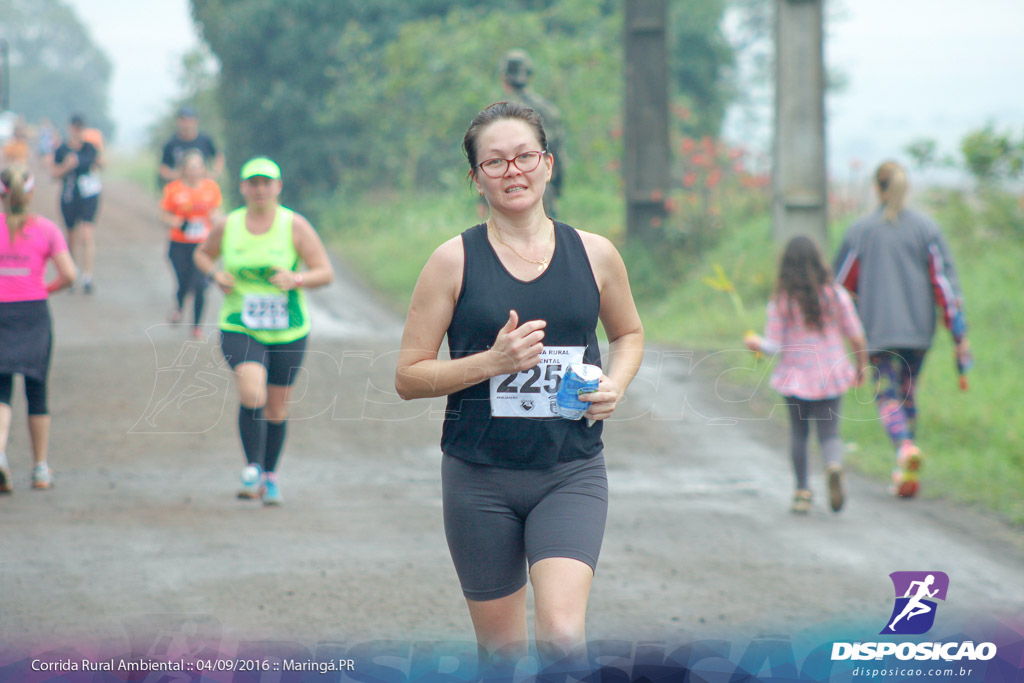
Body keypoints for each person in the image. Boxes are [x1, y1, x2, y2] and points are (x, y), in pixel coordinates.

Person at [394, 101, 644, 676]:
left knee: (560, 635)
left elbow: (628, 333)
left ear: (547, 164)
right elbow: (408, 376)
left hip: (570, 470)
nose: (513, 171)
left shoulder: (596, 254)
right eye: (495, 161)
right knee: (502, 656)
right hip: (479, 477)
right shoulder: (452, 262)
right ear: (476, 178)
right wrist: (491, 361)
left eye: (524, 156)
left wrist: (616, 383)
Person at [193, 157, 333, 506]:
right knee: (251, 388)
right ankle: (252, 467)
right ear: (242, 187)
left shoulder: (294, 226)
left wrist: (296, 278)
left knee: (276, 408)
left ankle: (269, 476)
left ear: (277, 186)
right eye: (252, 183)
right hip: (239, 324)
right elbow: (202, 255)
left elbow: (324, 271)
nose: (259, 189)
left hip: (289, 329)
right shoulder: (229, 225)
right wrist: (214, 275)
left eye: (266, 183)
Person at [834, 161, 969, 499]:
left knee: (887, 396)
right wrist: (958, 335)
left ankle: (904, 448)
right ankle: (905, 472)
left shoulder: (860, 231)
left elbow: (839, 287)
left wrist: (837, 331)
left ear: (877, 188)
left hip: (878, 332)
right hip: (918, 332)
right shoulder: (927, 229)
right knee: (908, 394)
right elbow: (945, 286)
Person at [745, 235, 868, 514]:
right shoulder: (836, 295)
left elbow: (774, 345)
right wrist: (862, 366)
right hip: (831, 373)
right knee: (830, 433)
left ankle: (802, 492)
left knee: (799, 434)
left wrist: (756, 344)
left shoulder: (782, 301)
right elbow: (856, 335)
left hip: (796, 376)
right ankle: (833, 465)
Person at [0, 165, 77, 492]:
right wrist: (46, 288)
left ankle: (0, 453)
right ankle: (40, 468)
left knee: (1, 391)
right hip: (34, 313)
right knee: (37, 391)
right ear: (30, 193)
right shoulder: (47, 229)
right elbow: (70, 274)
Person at [160, 150, 223, 338]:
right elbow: (163, 215)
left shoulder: (211, 188)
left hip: (203, 247)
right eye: (191, 168)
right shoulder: (174, 189)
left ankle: (196, 326)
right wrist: (179, 223)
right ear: (184, 170)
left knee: (200, 285)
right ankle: (178, 306)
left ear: (204, 169)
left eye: (198, 167)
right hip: (179, 244)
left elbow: (217, 212)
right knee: (184, 282)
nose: (195, 171)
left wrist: (216, 220)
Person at [498, 49, 567, 218]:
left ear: (505, 79)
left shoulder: (498, 113)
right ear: (529, 75)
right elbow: (558, 154)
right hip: (543, 188)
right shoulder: (548, 110)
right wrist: (556, 188)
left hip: (509, 192)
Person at [50, 114, 102, 294]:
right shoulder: (62, 149)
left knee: (87, 234)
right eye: (75, 127)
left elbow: (101, 164)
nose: (77, 131)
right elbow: (54, 173)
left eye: (80, 127)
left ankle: (87, 276)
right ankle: (72, 272)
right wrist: (66, 166)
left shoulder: (90, 148)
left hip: (89, 195)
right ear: (70, 128)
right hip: (70, 195)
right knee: (71, 235)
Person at [159, 106, 224, 187]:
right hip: (180, 188)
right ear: (178, 121)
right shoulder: (171, 143)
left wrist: (215, 173)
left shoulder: (205, 140)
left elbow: (218, 156)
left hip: (202, 187)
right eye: (183, 120)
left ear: (196, 121)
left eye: (189, 120)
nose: (186, 124)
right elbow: (163, 167)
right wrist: (175, 175)